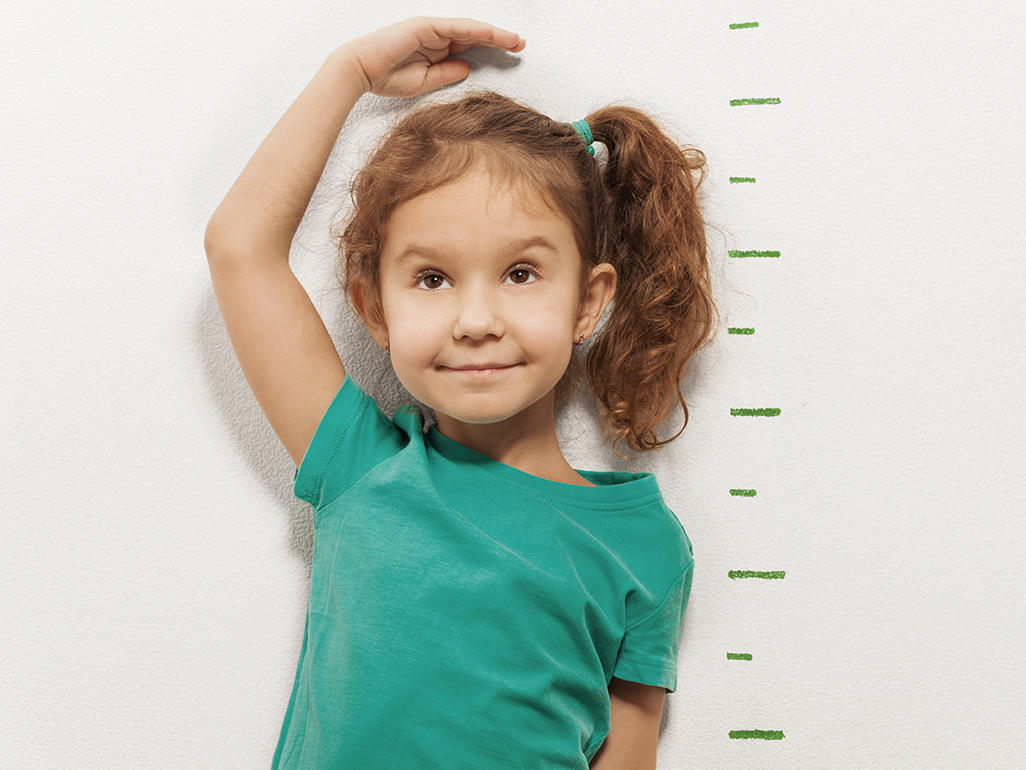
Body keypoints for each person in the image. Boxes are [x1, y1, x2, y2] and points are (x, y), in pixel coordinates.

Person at [204, 16, 718, 769]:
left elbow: (629, 752)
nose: (476, 321)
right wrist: (347, 72)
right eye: (433, 279)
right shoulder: (361, 467)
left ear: (587, 302)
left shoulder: (646, 546)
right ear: (375, 308)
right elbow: (240, 248)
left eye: (520, 274)